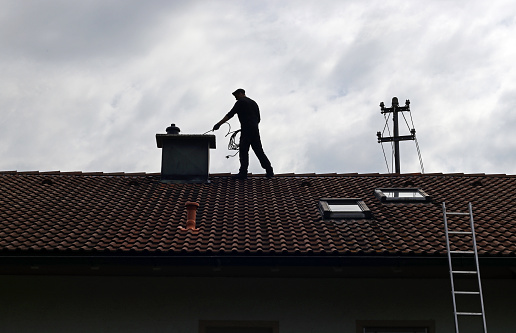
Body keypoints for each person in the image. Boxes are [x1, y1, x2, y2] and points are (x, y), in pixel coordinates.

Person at [213, 88, 274, 179]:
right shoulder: (254, 103)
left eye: (236, 95)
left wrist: (219, 124)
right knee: (259, 151)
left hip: (246, 130)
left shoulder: (241, 102)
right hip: (255, 130)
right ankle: (269, 171)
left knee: (243, 151)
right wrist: (252, 126)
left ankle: (243, 173)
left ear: (241, 93)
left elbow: (231, 114)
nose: (235, 98)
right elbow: (258, 119)